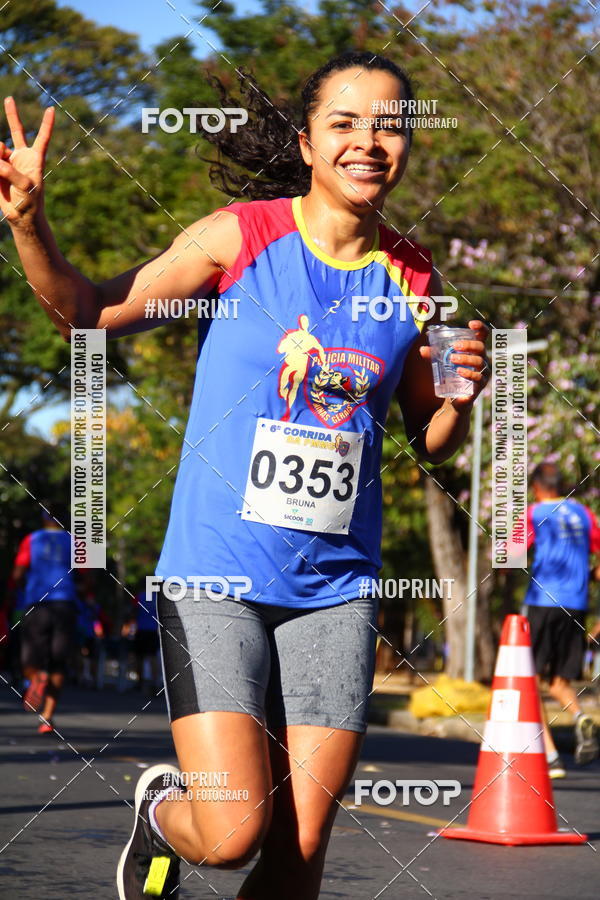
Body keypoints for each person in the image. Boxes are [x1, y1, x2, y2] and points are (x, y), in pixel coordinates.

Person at [1, 51, 490, 900]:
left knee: (299, 854)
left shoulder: (413, 275)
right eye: (344, 124)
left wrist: (462, 395)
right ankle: (160, 815)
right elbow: (89, 313)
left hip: (337, 588)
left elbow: (431, 437)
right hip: (217, 572)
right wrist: (27, 222)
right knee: (230, 833)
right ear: (307, 143)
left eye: (389, 126)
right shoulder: (241, 236)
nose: (368, 142)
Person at [524, 462, 600, 778]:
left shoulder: (532, 513)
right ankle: (582, 717)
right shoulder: (584, 514)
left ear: (538, 487)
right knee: (558, 683)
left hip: (543, 602)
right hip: (577, 604)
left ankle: (552, 757)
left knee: (529, 680)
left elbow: (508, 558)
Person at [11, 505, 78, 734]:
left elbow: (18, 573)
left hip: (37, 603)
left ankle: (37, 675)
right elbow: (89, 576)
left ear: (43, 519)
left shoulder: (32, 539)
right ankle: (47, 717)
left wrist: (21, 590)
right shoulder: (76, 541)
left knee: (29, 658)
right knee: (59, 662)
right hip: (65, 604)